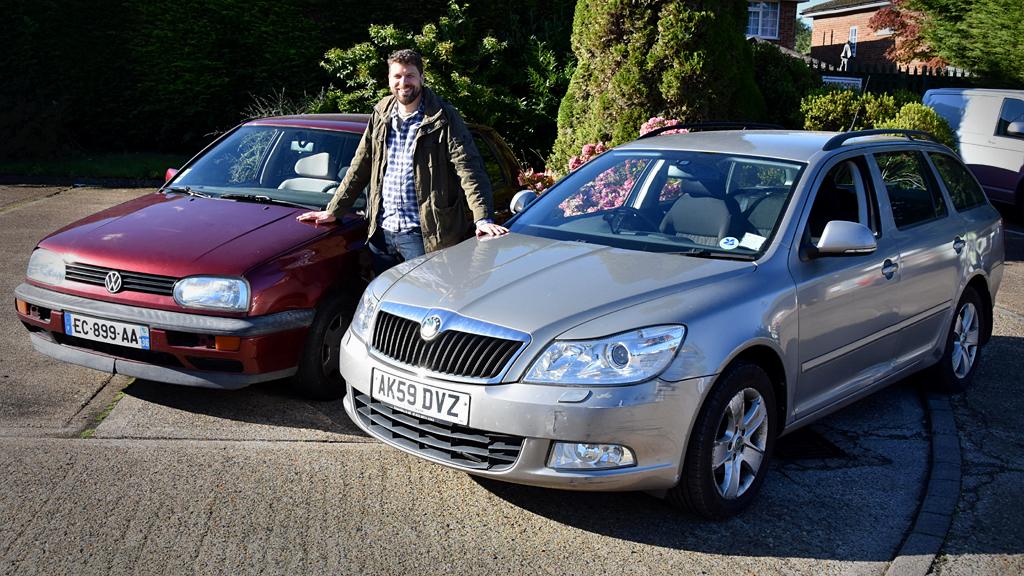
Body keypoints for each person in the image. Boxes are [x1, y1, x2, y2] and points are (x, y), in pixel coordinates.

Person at [296, 49, 508, 273]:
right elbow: (361, 164)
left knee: (422, 302)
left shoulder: (443, 117)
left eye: (410, 76)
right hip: (381, 235)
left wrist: (482, 219)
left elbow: (469, 169)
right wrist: (334, 210)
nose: (403, 82)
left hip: (423, 236)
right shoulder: (381, 113)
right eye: (397, 76)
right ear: (389, 79)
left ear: (421, 78)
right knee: (385, 303)